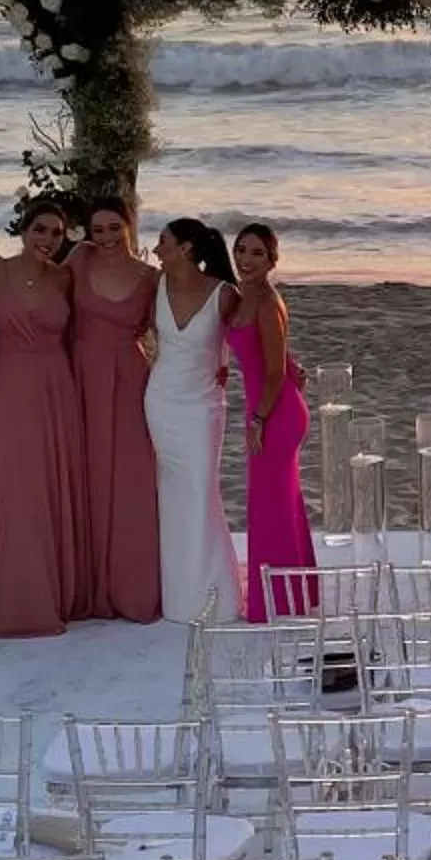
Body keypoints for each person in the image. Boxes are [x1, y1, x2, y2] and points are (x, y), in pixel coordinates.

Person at [0, 196, 88, 637]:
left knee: (51, 483)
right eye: (40, 229)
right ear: (23, 230)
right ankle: (16, 598)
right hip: (9, 386)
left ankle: (57, 590)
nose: (48, 239)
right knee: (17, 485)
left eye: (57, 233)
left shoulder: (65, 278)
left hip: (56, 388)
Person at [66, 196, 162, 623]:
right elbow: (38, 288)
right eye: (97, 229)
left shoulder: (150, 278)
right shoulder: (78, 260)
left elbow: (180, 329)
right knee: (85, 475)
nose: (104, 237)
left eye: (113, 228)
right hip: (80, 374)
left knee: (131, 478)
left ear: (129, 226)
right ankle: (86, 585)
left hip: (129, 377)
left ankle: (131, 586)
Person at [146, 217, 242, 627]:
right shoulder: (155, 286)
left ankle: (216, 596)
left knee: (201, 492)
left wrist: (228, 365)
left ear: (185, 248)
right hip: (161, 401)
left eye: (163, 242)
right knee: (171, 495)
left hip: (203, 406)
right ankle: (180, 599)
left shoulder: (224, 294)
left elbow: (251, 337)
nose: (155, 248)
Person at [227, 222, 315, 620]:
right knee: (276, 504)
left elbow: (275, 372)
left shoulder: (265, 300)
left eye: (257, 253)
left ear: (272, 260)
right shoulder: (242, 295)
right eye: (241, 250)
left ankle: (278, 601)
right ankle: (293, 591)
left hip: (274, 413)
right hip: (264, 406)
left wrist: (259, 419)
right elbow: (274, 355)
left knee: (270, 507)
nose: (246, 259)